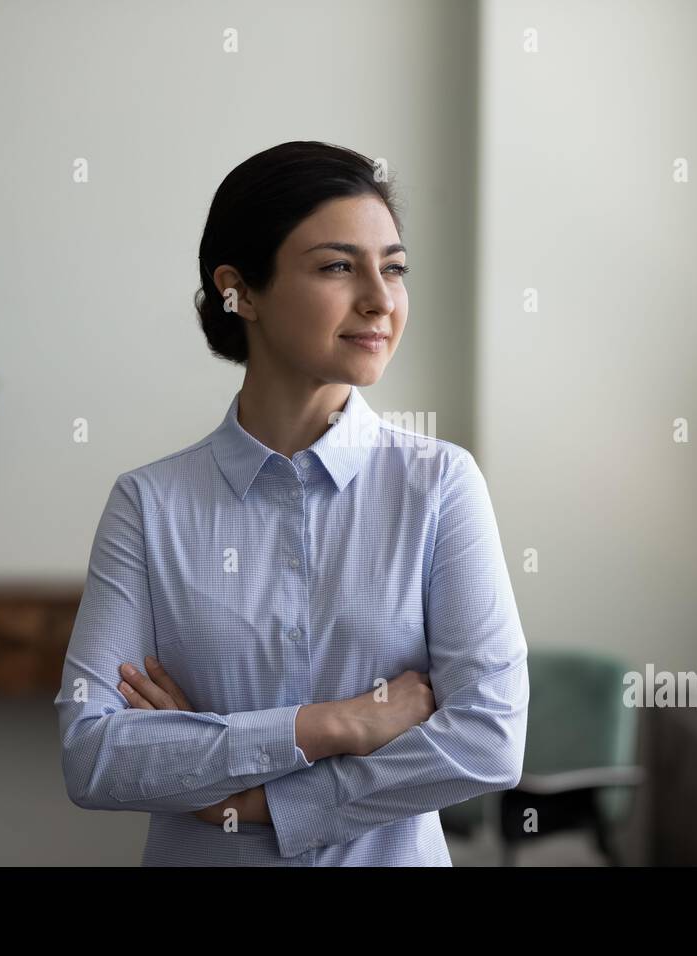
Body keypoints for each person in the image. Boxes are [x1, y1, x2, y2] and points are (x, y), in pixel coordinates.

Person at [54, 140, 529, 866]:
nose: (380, 298)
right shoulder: (148, 505)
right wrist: (338, 724)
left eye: (394, 268)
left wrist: (248, 801)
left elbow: (489, 739)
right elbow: (94, 755)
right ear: (239, 289)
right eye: (339, 266)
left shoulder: (440, 487)